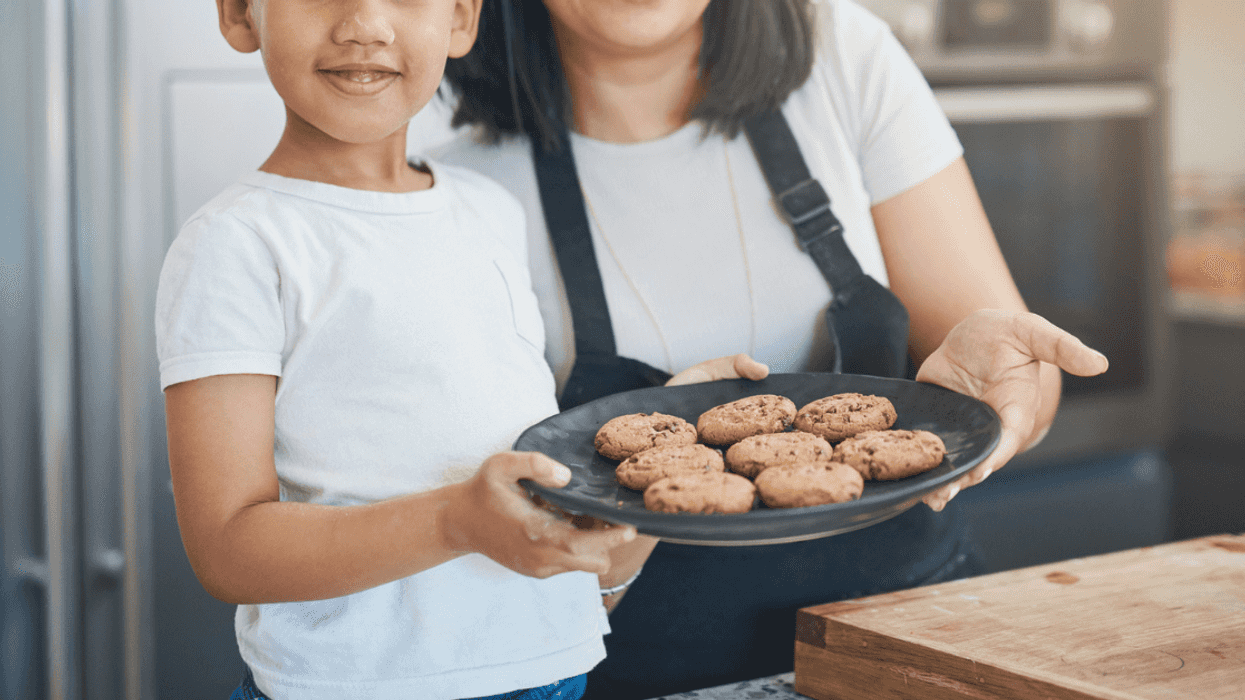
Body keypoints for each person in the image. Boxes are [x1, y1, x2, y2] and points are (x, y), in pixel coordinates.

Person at [434, 0, 1111, 696]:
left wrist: (1005, 394)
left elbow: (1011, 371)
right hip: (633, 667)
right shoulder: (416, 112)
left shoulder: (839, 51)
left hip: (914, 643)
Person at [156, 0, 762, 697]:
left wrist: (659, 443)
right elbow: (228, 552)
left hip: (555, 672)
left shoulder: (490, 212)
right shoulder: (237, 245)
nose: (365, 25)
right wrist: (454, 522)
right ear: (239, 14)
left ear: (462, 20)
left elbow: (575, 568)